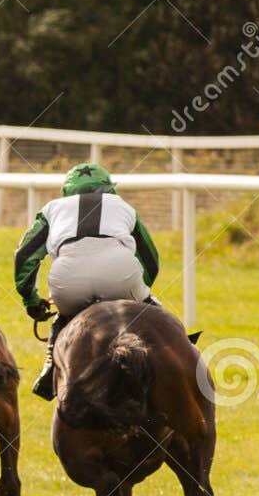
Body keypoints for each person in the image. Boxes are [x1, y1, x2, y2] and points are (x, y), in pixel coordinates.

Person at [16, 163, 161, 401]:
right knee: (156, 313)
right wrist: (141, 293)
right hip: (121, 273)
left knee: (62, 321)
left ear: (67, 191)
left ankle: (50, 367)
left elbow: (24, 257)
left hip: (68, 280)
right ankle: (184, 351)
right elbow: (151, 259)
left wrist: (31, 300)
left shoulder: (52, 209)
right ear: (108, 189)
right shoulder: (123, 206)